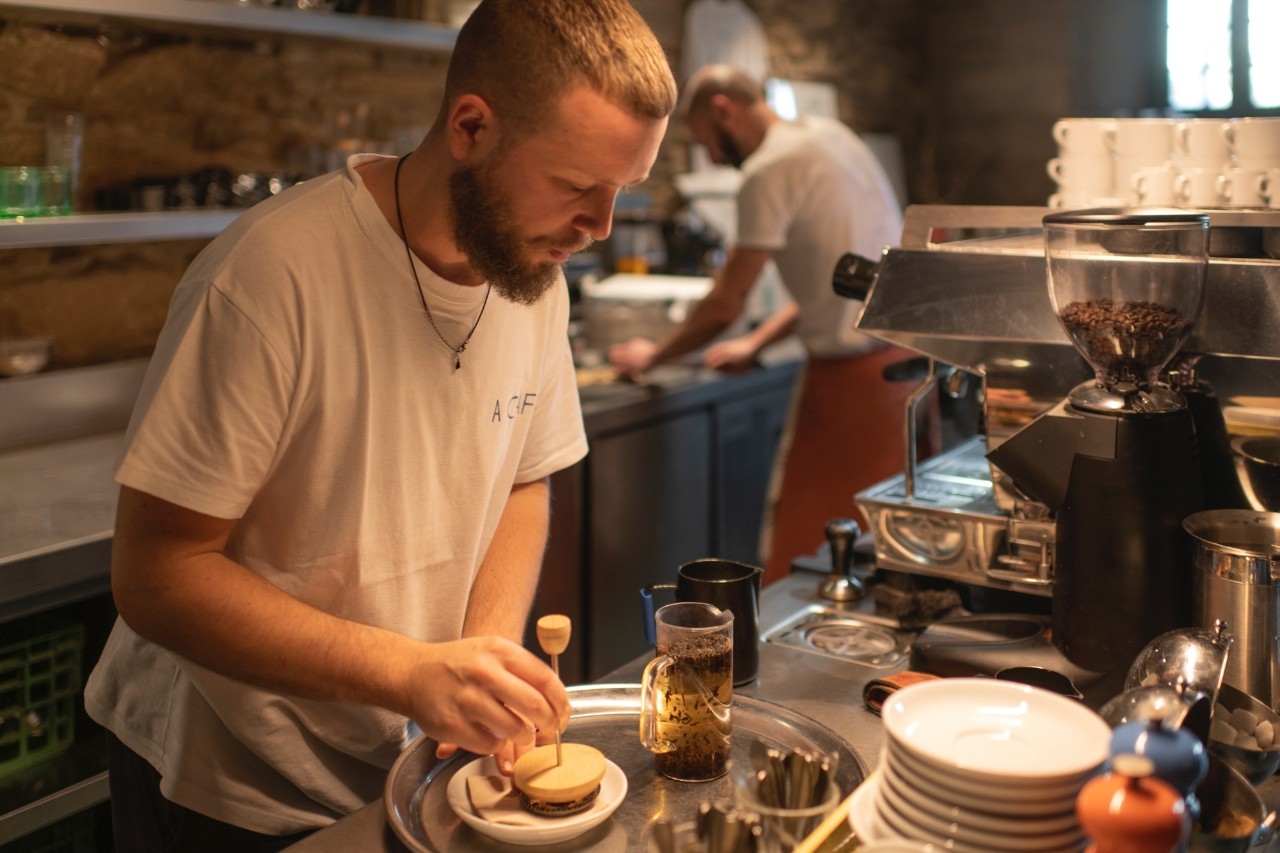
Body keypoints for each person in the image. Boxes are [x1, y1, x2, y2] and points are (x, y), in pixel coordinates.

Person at [83, 1, 676, 848]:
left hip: (401, 755)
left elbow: (522, 474)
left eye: (622, 190)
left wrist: (477, 655)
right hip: (229, 779)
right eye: (578, 186)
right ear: (471, 126)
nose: (601, 227)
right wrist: (410, 670)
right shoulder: (271, 276)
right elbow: (157, 575)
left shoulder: (533, 275)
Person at [609, 64, 934, 585]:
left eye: (708, 142)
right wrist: (758, 341)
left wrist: (654, 355)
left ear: (724, 110)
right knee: (892, 541)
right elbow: (836, 284)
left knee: (820, 552)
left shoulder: (768, 170)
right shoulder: (831, 137)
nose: (714, 157)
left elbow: (724, 303)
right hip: (906, 365)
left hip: (853, 381)